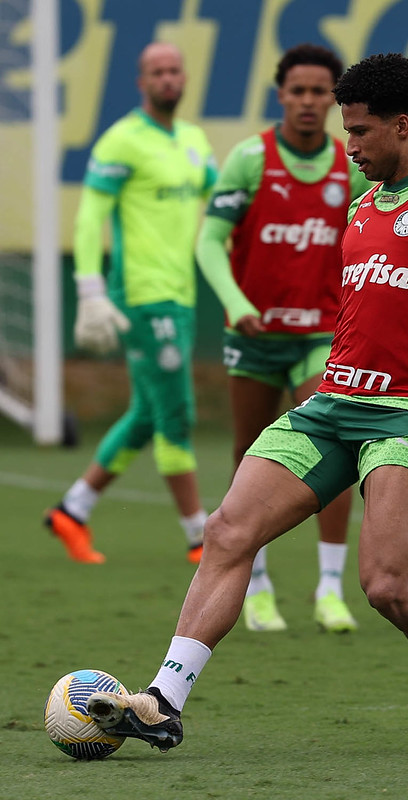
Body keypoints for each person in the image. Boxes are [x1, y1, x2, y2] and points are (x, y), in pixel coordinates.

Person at [84, 52, 408, 756]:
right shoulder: (366, 203)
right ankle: (163, 699)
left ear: (403, 126)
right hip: (331, 404)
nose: (350, 146)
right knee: (227, 532)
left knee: (387, 586)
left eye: (362, 132)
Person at [195, 44, 372, 633]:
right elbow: (208, 241)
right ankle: (257, 585)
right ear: (281, 96)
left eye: (320, 91)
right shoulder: (250, 160)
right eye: (297, 90)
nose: (308, 101)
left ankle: (328, 588)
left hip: (320, 335)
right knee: (251, 453)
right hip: (253, 337)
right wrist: (238, 303)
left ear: (335, 99)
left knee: (335, 444)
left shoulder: (348, 167)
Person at [44, 43, 217, 565]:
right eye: (156, 72)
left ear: (183, 77)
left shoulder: (193, 140)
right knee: (177, 415)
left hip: (182, 294)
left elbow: (218, 204)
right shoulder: (121, 140)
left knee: (147, 414)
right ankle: (198, 538)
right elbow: (87, 214)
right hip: (141, 297)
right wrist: (90, 287)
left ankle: (71, 511)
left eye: (174, 69)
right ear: (141, 81)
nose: (167, 78)